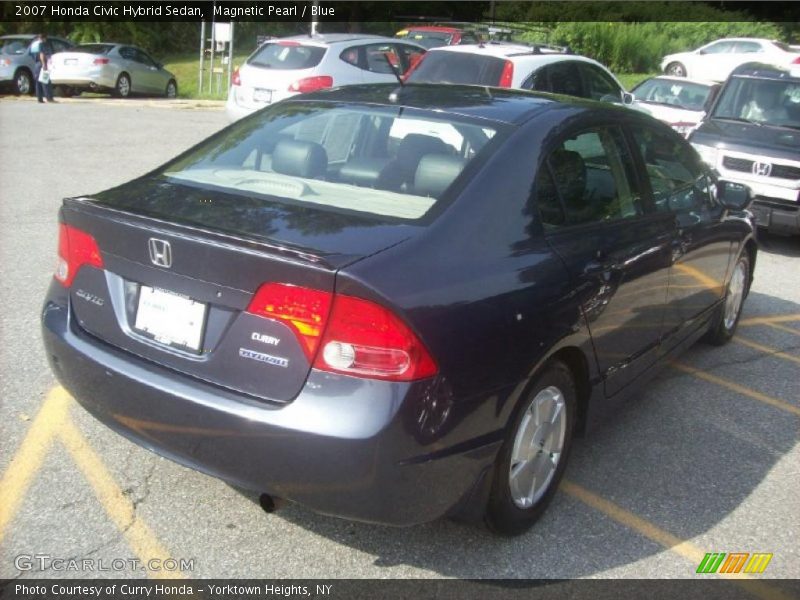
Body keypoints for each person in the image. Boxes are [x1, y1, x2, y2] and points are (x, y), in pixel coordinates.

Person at [31, 33, 55, 103]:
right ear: (44, 38)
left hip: (36, 64)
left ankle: (39, 99)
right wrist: (44, 64)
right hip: (42, 63)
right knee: (45, 81)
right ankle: (49, 98)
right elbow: (42, 54)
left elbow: (31, 54)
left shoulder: (33, 44)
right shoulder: (41, 44)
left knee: (38, 82)